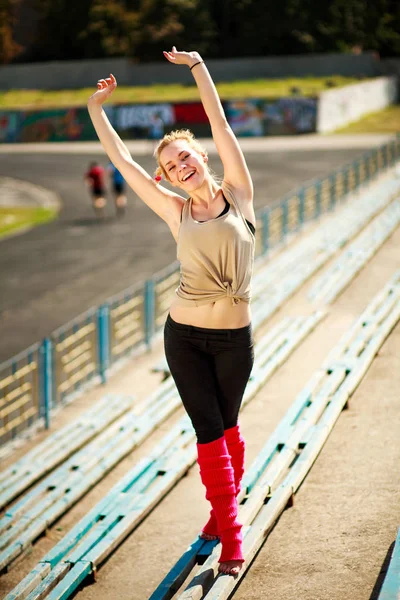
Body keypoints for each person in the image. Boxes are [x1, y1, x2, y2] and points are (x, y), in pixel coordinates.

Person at [87, 46, 256, 577]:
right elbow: (121, 161)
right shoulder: (172, 210)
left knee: (229, 429)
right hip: (183, 337)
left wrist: (199, 66)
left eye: (184, 156)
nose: (179, 167)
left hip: (234, 341)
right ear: (167, 177)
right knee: (208, 433)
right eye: (168, 166)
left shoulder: (240, 196)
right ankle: (231, 536)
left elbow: (219, 120)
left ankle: (219, 516)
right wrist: (97, 109)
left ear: (201, 157)